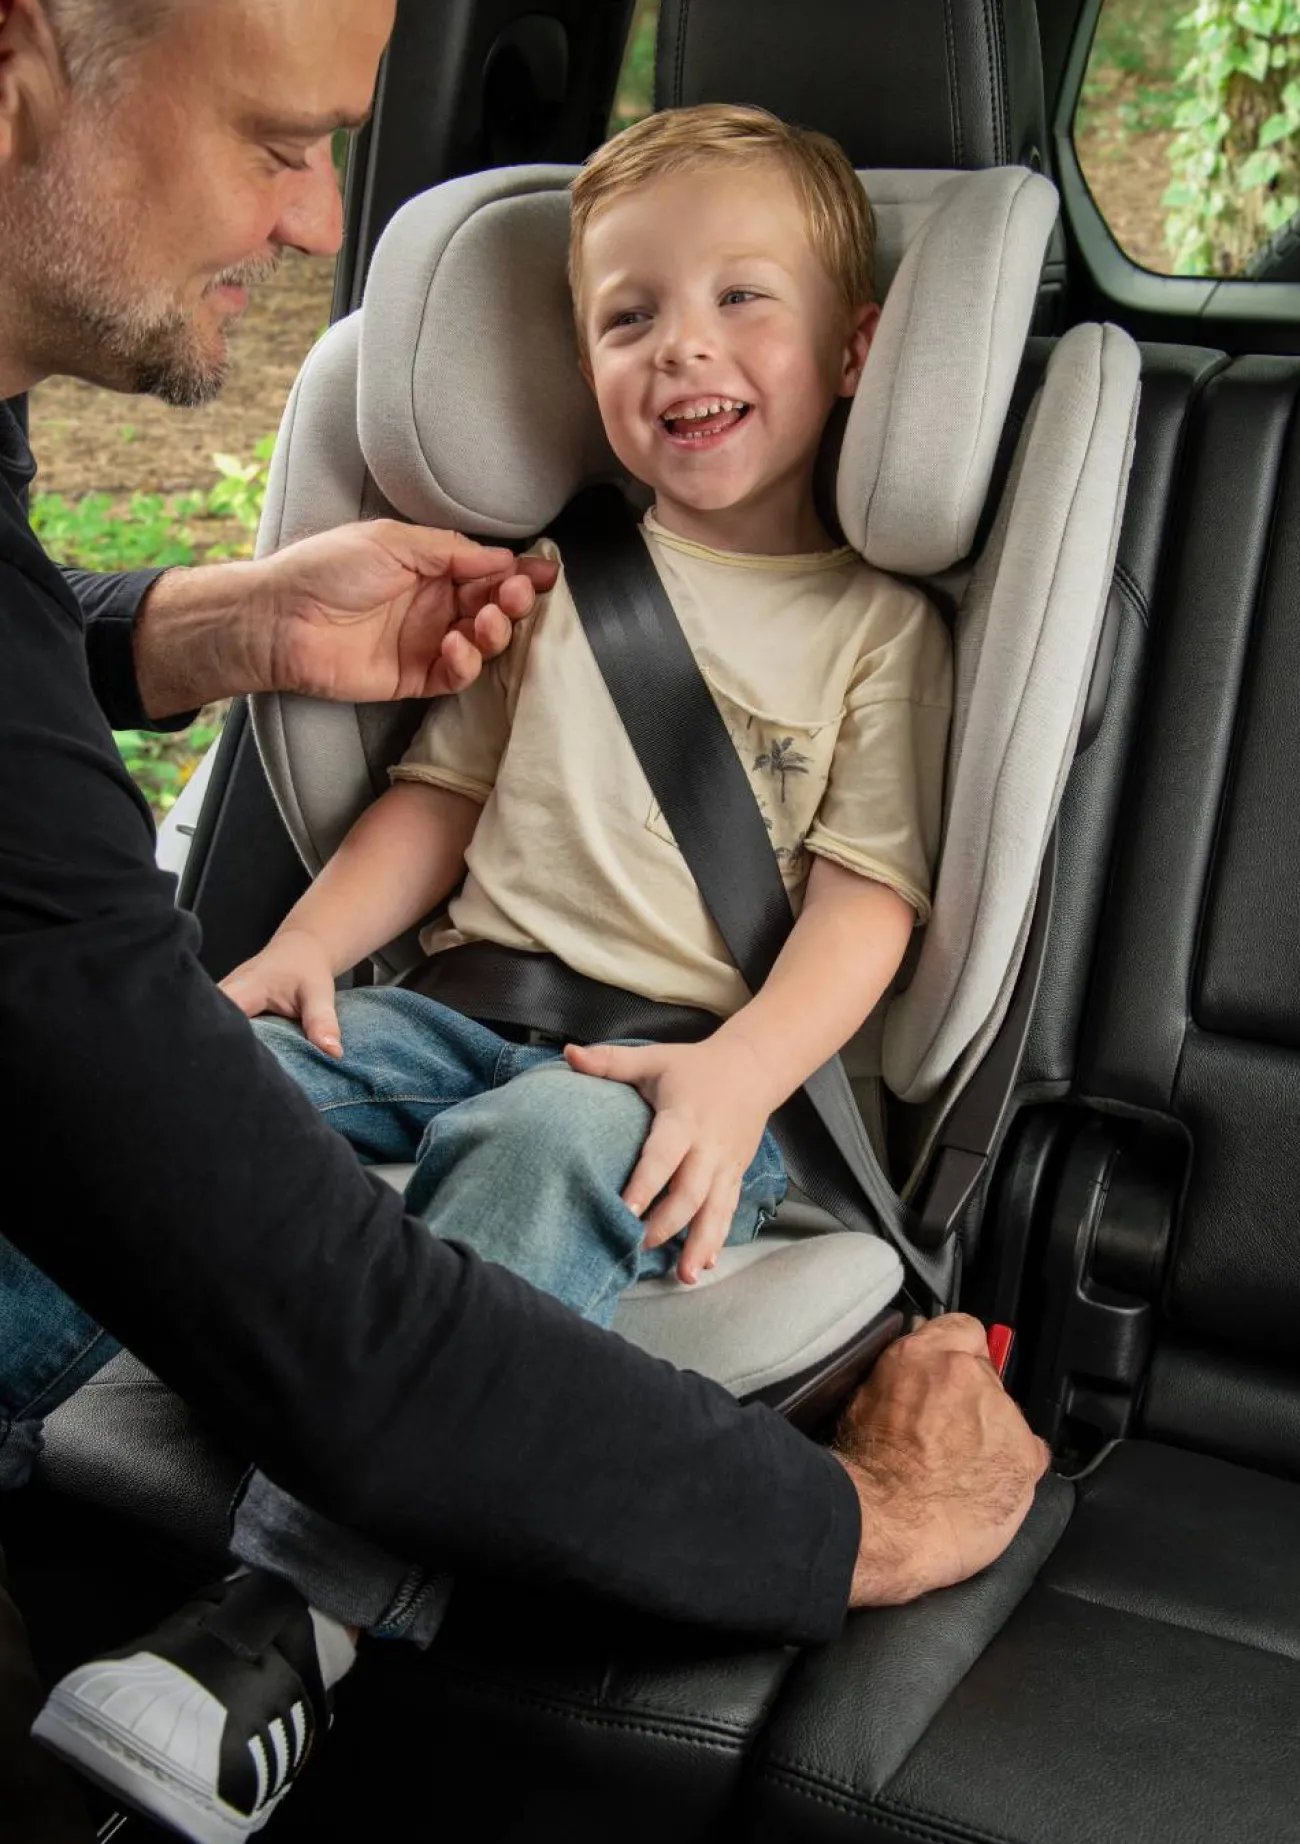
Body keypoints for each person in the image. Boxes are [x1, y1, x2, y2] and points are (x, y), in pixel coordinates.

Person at [0, 0, 1046, 1834]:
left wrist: (739, 1074)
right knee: (222, 1095)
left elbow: (870, 904)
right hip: (440, 1006)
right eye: (629, 317)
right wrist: (305, 949)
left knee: (541, 1144)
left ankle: (291, 1614)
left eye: (742, 302)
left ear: (859, 350)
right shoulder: (564, 580)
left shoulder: (884, 631)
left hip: (661, 1068)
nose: (681, 347)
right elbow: (437, 802)